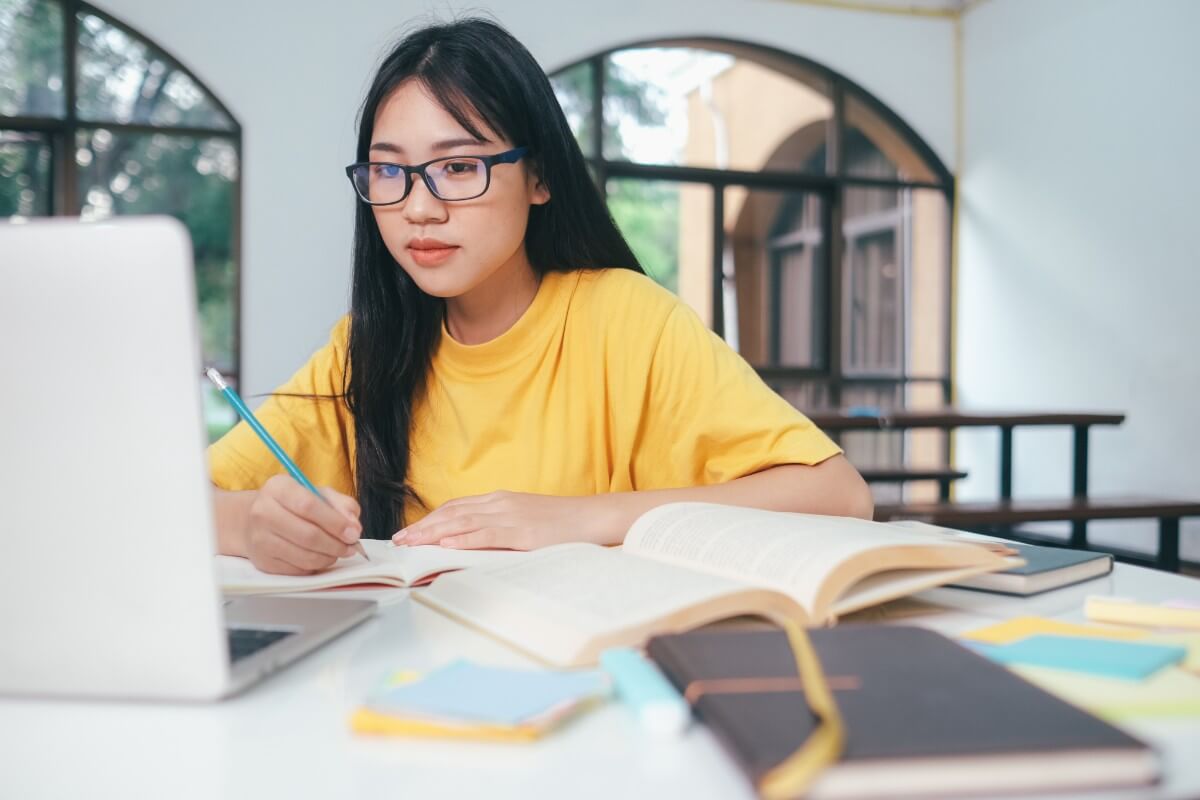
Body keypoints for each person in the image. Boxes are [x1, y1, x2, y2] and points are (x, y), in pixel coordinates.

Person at [208, 17, 873, 576]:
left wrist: (580, 518)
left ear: (540, 178)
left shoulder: (625, 319)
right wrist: (250, 525)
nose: (418, 207)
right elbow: (172, 502)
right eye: (390, 170)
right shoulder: (366, 348)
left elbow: (839, 497)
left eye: (458, 167)